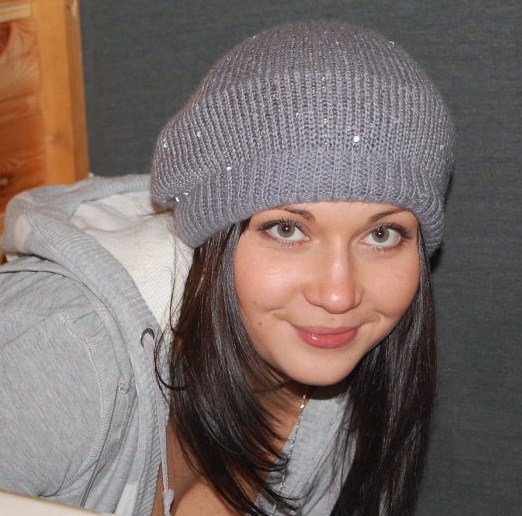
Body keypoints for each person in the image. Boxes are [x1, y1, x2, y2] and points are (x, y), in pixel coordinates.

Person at [0, 20, 454, 516]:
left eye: (381, 235)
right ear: (215, 239)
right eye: (287, 230)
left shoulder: (348, 396)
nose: (338, 294)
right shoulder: (62, 347)